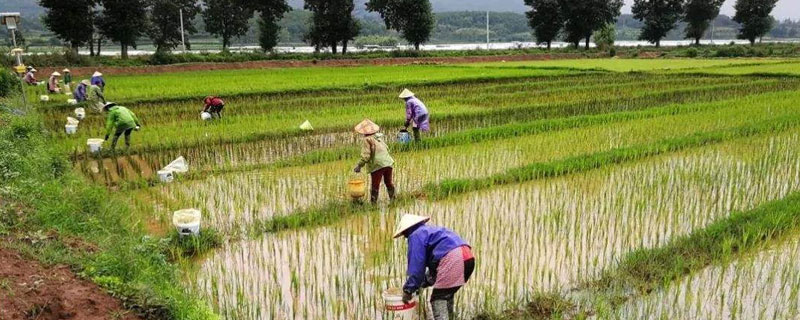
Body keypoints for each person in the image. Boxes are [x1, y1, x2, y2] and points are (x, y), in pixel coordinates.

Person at [394, 214, 475, 320]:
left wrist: (408, 290)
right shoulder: (431, 231)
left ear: (407, 231)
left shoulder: (415, 235)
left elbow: (416, 269)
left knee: (438, 299)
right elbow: (434, 271)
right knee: (447, 295)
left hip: (453, 259)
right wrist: (420, 284)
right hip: (468, 257)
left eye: (404, 234)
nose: (405, 237)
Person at [353, 119, 395, 203]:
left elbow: (366, 156)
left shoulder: (367, 139)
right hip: (388, 163)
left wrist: (359, 165)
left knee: (375, 185)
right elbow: (387, 149)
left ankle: (373, 204)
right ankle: (393, 200)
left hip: (378, 165)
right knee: (388, 182)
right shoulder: (379, 137)